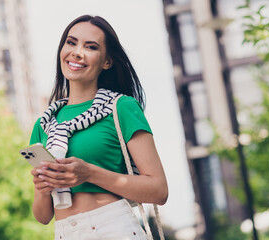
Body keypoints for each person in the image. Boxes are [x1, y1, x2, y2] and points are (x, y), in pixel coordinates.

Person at [28, 14, 168, 240]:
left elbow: (159, 190)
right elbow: (43, 216)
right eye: (71, 42)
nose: (77, 52)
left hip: (112, 228)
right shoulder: (45, 124)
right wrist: (42, 189)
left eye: (90, 47)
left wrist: (89, 173)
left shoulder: (120, 108)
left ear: (107, 61)